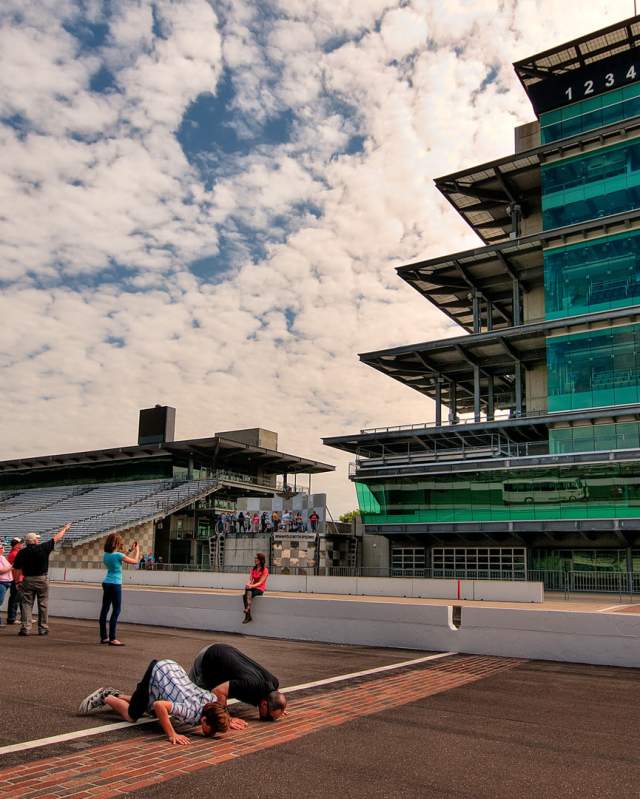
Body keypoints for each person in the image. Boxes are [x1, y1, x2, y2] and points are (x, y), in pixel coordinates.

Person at [78, 658, 247, 745]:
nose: (211, 733)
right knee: (132, 715)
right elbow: (160, 705)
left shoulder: (211, 701)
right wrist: (172, 734)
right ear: (203, 720)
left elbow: (217, 704)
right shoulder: (191, 711)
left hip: (172, 670)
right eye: (212, 730)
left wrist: (226, 718)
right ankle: (105, 696)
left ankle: (118, 695)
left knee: (150, 710)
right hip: (158, 674)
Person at [188, 643, 287, 721]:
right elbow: (218, 691)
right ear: (264, 704)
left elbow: (277, 693)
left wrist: (279, 708)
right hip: (209, 657)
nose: (268, 719)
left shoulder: (273, 682)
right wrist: (226, 718)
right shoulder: (249, 685)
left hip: (226, 651)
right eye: (269, 717)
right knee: (191, 698)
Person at [13, 523, 70, 636]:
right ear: (35, 541)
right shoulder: (43, 548)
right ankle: (43, 628)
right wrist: (65, 529)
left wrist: (17, 581)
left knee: (26, 604)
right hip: (41, 579)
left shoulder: (22, 552)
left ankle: (25, 628)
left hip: (27, 579)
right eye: (37, 539)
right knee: (43, 604)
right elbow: (57, 537)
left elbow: (17, 569)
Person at [99, 533, 140, 646]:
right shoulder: (117, 555)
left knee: (104, 610)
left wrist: (130, 550)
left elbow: (120, 557)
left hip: (106, 583)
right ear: (116, 543)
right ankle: (113, 638)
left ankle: (104, 637)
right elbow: (135, 562)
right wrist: (137, 550)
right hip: (115, 584)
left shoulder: (106, 555)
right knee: (116, 610)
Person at [242, 552, 268, 624]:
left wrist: (251, 586)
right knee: (247, 591)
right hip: (252, 588)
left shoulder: (265, 570)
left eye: (257, 558)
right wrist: (248, 584)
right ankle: (248, 613)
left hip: (260, 589)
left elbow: (260, 582)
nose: (255, 559)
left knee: (246, 595)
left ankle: (248, 614)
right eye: (255, 558)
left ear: (261, 560)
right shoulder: (253, 569)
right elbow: (250, 580)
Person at [6, 537, 23, 625]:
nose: (22, 544)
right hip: (16, 579)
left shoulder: (13, 553)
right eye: (21, 543)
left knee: (16, 598)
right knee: (15, 599)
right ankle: (12, 618)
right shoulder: (15, 554)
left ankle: (14, 617)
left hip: (15, 578)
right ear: (16, 545)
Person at [0, 542, 13, 624]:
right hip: (1, 582)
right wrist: (12, 566)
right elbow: (1, 571)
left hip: (5, 582)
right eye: (1, 548)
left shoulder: (2, 557)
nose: (3, 549)